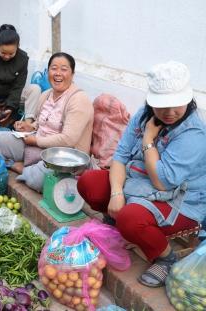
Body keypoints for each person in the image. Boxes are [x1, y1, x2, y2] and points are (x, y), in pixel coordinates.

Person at [77, 61, 206, 288]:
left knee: (130, 218)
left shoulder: (193, 134)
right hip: (137, 183)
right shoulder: (143, 115)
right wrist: (116, 193)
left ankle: (166, 257)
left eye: (177, 105)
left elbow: (162, 182)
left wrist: (148, 140)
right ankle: (117, 220)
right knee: (89, 182)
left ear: (188, 99)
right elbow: (120, 156)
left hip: (181, 201)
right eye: (162, 106)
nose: (170, 112)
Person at [0, 52, 94, 190]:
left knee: (39, 179)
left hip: (64, 158)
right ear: (48, 72)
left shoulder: (79, 100)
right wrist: (29, 126)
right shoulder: (46, 95)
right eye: (54, 68)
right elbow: (41, 122)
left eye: (64, 69)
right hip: (37, 146)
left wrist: (36, 141)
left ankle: (19, 167)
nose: (58, 73)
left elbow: (68, 140)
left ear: (72, 74)